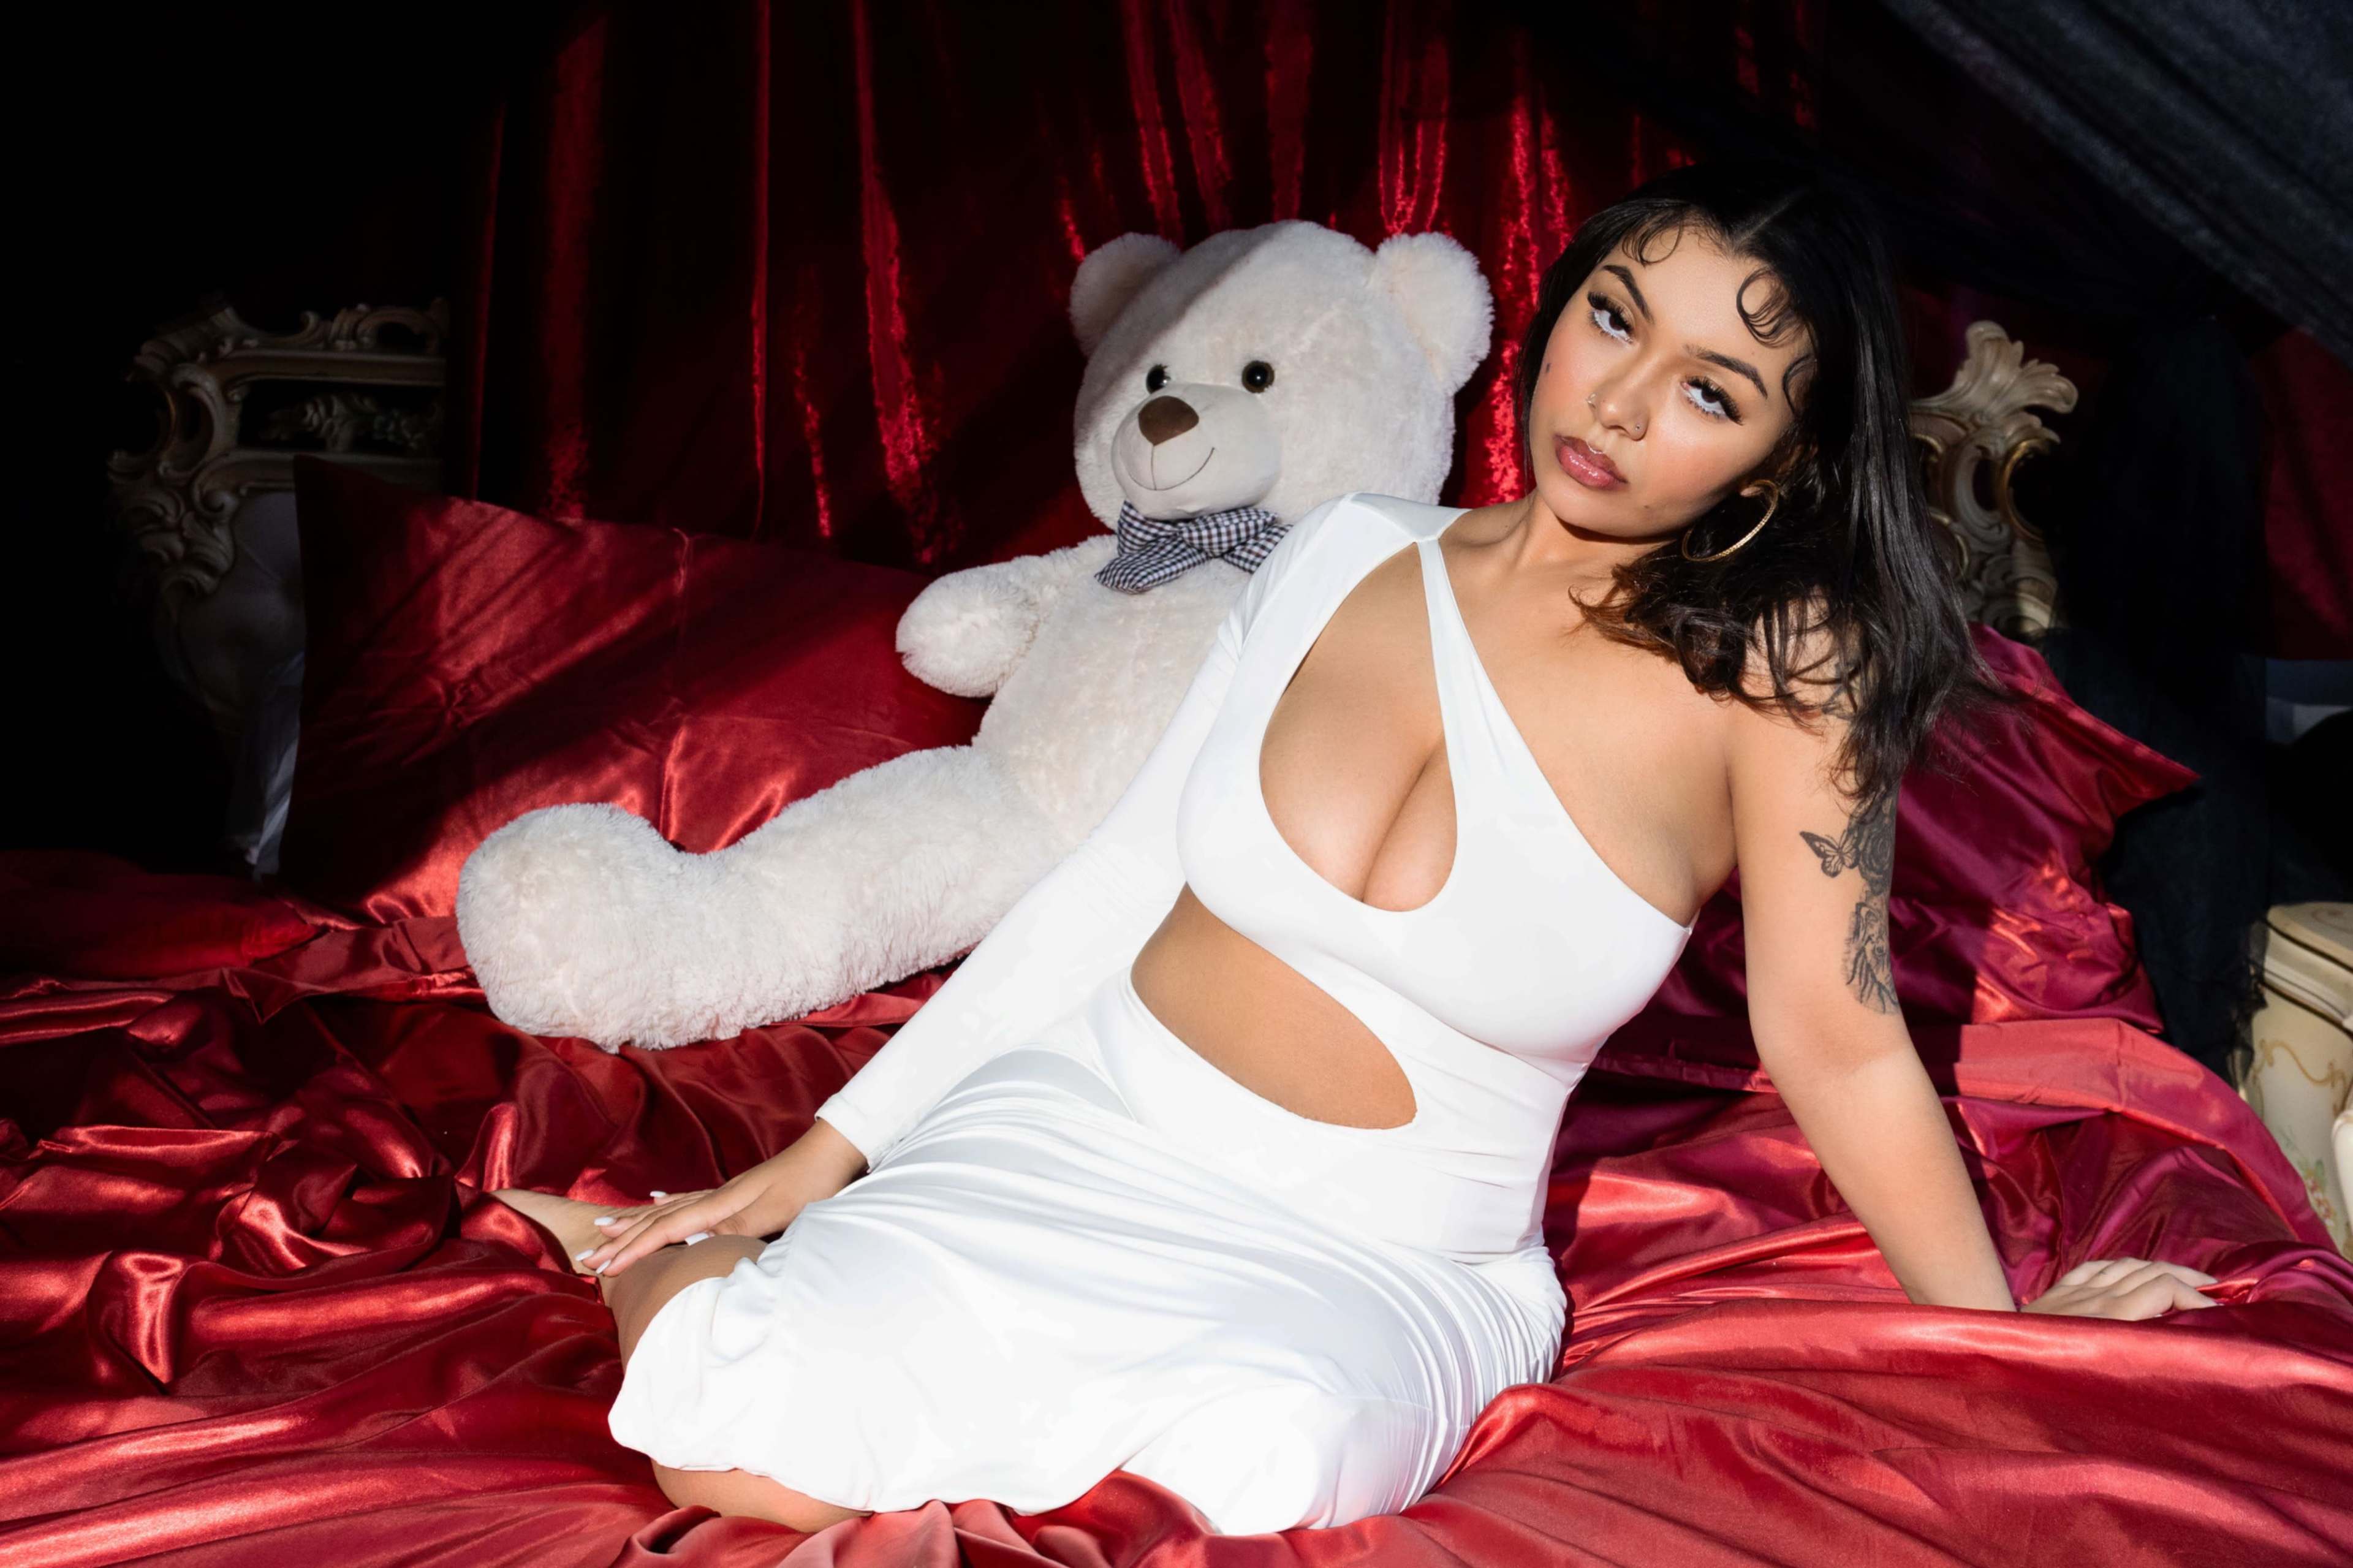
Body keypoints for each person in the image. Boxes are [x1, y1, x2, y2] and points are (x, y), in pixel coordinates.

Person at [493, 157, 2219, 1536]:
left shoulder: (1784, 690)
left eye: (1712, 389)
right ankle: (681, 1254)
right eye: (1613, 316)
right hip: (1084, 1127)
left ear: (1782, 457)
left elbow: (1836, 1040)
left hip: (1387, 1252)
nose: (1614, 402)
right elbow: (1110, 885)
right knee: (727, 1431)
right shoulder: (1336, 554)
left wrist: (2006, 1337)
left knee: (1264, 1470)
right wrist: (817, 1162)